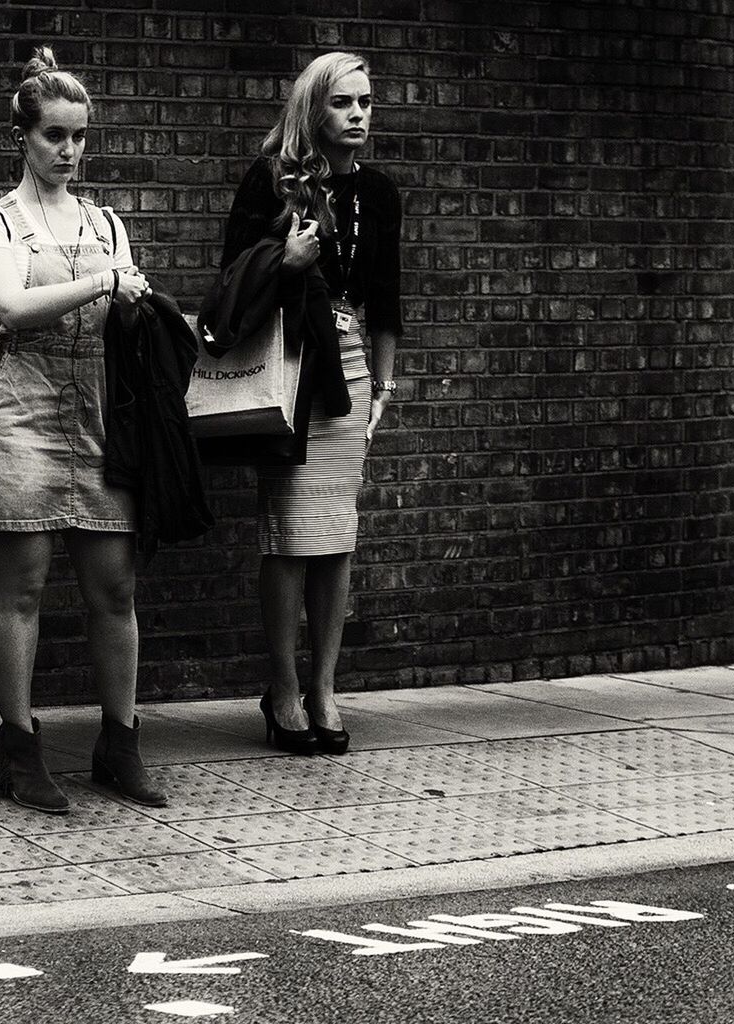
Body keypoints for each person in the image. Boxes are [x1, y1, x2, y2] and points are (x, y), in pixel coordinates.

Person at [0, 46, 166, 813]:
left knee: (115, 587)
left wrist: (131, 298)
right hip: (24, 415)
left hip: (98, 414)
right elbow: (11, 308)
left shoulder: (103, 220)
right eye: (55, 134)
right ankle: (17, 751)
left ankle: (121, 743)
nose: (70, 150)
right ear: (23, 134)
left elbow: (118, 311)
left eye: (80, 135)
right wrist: (105, 279)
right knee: (24, 588)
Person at [217, 52, 402, 755]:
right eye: (342, 103)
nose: (358, 114)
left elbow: (387, 297)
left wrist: (382, 388)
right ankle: (284, 687)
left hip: (351, 377)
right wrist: (285, 258)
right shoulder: (270, 181)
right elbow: (230, 277)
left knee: (337, 537)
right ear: (313, 110)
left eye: (366, 102)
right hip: (291, 369)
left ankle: (325, 687)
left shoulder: (381, 193)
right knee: (291, 536)